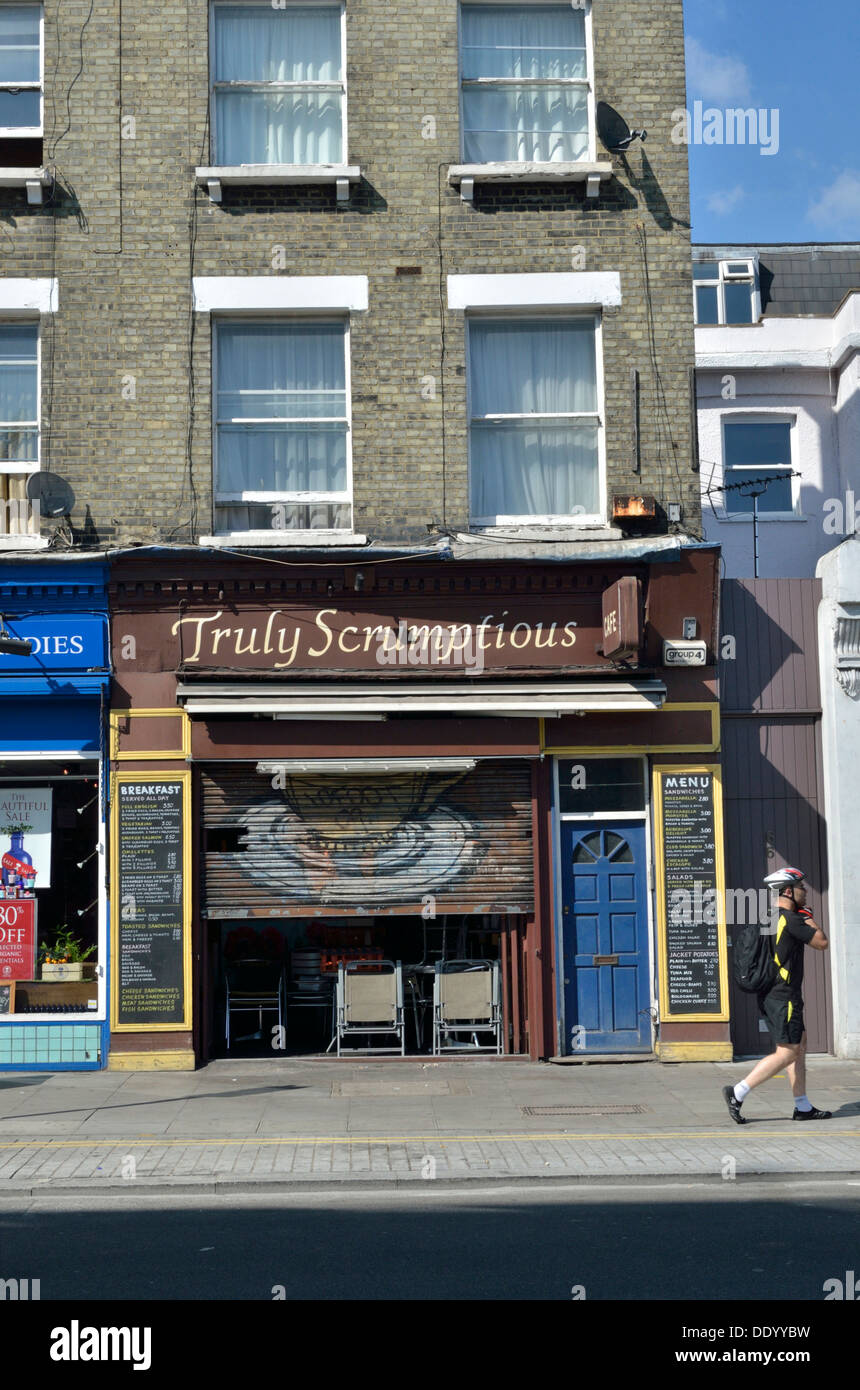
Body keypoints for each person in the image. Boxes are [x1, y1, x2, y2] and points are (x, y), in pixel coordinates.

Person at [723, 867, 831, 1124]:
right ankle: (737, 1092)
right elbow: (821, 942)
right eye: (801, 888)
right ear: (787, 891)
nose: (805, 892)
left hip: (771, 993)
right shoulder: (793, 920)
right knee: (788, 1052)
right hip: (784, 997)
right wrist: (808, 918)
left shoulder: (768, 916)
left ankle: (802, 1106)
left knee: (799, 1045)